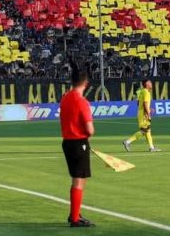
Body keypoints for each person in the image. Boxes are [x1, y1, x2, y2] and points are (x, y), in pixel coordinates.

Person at [60, 60, 96, 227]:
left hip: (67, 142)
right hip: (79, 142)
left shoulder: (65, 98)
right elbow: (90, 130)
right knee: (79, 180)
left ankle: (74, 214)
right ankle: (75, 218)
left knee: (77, 179)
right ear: (86, 83)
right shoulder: (82, 102)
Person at [123, 80, 160, 152]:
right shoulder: (146, 92)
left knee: (148, 130)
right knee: (144, 131)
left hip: (141, 113)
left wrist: (148, 109)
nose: (151, 84)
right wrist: (148, 113)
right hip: (144, 115)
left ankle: (151, 147)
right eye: (150, 83)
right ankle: (127, 142)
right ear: (147, 84)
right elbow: (145, 103)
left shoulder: (142, 91)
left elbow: (139, 103)